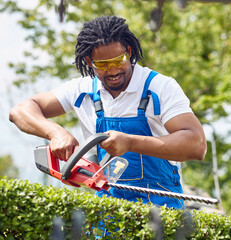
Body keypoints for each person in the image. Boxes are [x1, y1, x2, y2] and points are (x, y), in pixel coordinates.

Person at [9, 15, 207, 210]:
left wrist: (130, 142)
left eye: (118, 60)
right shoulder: (82, 90)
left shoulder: (159, 87)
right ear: (89, 61)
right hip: (109, 209)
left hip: (161, 206)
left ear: (129, 52)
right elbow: (20, 111)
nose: (112, 70)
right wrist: (55, 133)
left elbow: (196, 144)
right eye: (102, 65)